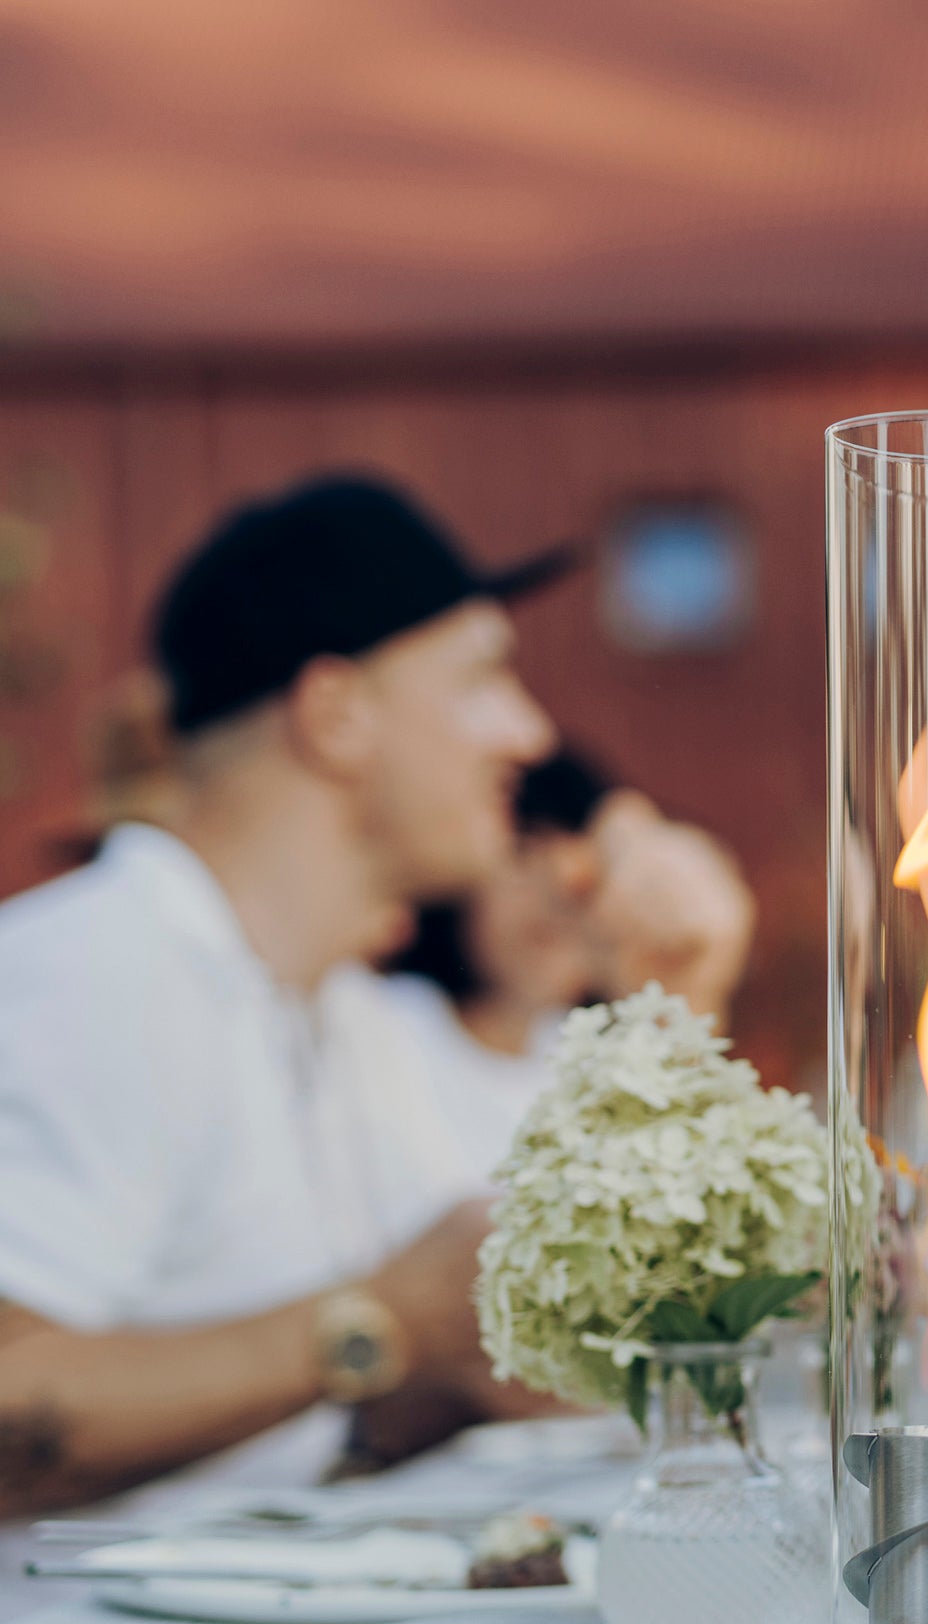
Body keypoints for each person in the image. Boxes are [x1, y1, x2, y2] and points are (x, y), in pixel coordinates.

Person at [0, 473, 572, 1513]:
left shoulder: (329, 1009)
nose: (528, 733)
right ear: (335, 714)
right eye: (483, 677)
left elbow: (313, 1414)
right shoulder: (96, 972)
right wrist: (384, 1320)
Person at [383, 745, 755, 1178]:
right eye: (524, 854)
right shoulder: (381, 1020)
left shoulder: (598, 1073)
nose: (553, 899)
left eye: (587, 884)